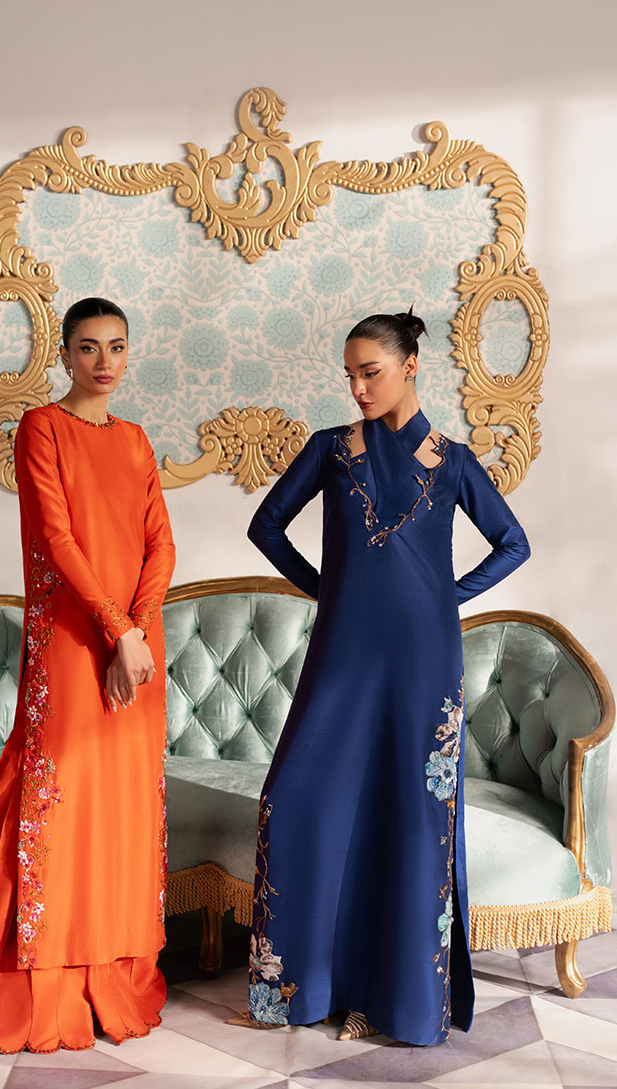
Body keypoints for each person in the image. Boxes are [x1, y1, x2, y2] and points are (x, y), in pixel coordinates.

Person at [238, 308, 530, 1046]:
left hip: (424, 660)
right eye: (350, 375)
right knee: (294, 799)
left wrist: (444, 598)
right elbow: (265, 526)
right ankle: (302, 988)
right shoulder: (330, 450)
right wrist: (326, 587)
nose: (358, 388)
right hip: (344, 651)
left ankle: (392, 1003)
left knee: (409, 816)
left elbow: (513, 543)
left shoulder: (452, 461)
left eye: (370, 372)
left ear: (410, 367)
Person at [0, 296, 176, 1056]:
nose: (105, 361)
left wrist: (137, 631)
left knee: (120, 806)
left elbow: (160, 544)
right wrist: (116, 630)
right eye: (89, 347)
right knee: (57, 798)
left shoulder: (135, 440)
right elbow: (58, 538)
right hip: (75, 641)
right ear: (65, 355)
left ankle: (109, 980)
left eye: (117, 346)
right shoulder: (41, 428)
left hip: (135, 647)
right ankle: (20, 993)